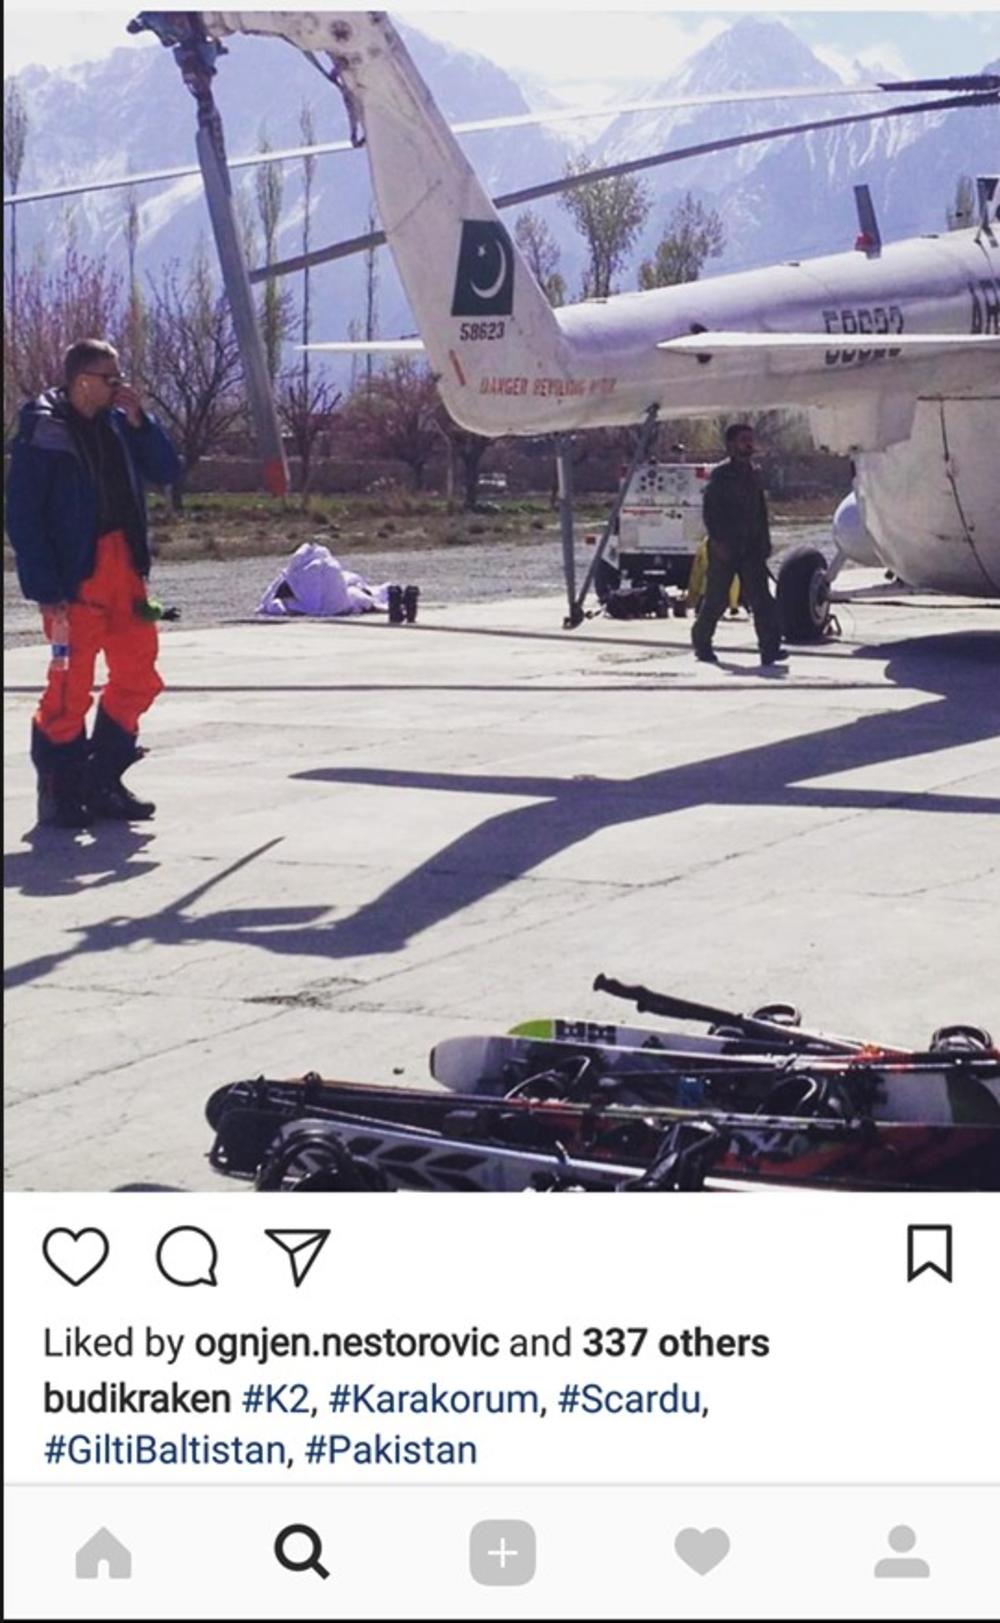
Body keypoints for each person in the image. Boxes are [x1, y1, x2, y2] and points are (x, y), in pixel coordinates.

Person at [6, 339, 181, 827]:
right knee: (69, 686)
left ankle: (102, 781)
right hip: (75, 578)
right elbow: (23, 517)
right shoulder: (43, 432)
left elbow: (167, 469)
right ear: (82, 381)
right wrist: (47, 589)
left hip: (125, 570)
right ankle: (59, 790)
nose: (119, 386)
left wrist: (142, 421)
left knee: (139, 674)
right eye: (110, 378)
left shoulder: (121, 425)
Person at [691, 422, 788, 666]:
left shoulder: (753, 473)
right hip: (725, 547)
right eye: (744, 440)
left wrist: (764, 543)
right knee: (717, 600)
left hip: (751, 547)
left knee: (762, 600)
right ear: (731, 444)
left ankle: (770, 647)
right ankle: (702, 642)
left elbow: (760, 512)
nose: (749, 444)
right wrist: (718, 542)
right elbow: (710, 512)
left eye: (750, 440)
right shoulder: (721, 475)